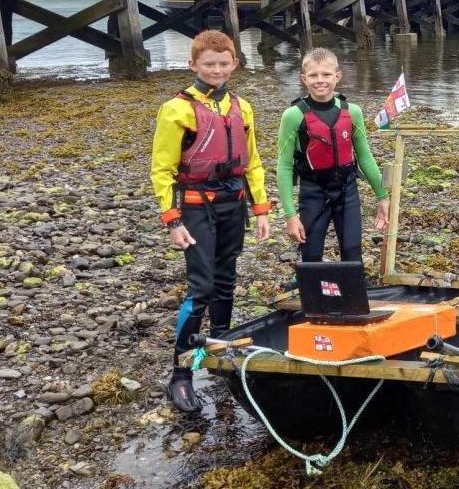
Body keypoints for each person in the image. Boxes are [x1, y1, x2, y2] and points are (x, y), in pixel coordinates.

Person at [149, 30, 272, 412]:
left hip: (232, 203)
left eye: (223, 63)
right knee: (200, 287)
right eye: (208, 64)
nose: (216, 70)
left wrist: (261, 207)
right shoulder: (177, 110)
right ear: (193, 65)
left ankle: (219, 347)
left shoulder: (242, 107)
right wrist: (173, 221)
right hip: (195, 206)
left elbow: (251, 162)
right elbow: (162, 170)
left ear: (234, 64)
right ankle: (181, 373)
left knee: (226, 279)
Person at [277, 48, 390, 264]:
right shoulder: (293, 115)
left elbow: (365, 156)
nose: (320, 80)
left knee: (352, 254)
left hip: (347, 191)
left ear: (337, 76)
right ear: (304, 79)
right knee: (310, 256)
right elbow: (284, 166)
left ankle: (351, 290)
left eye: (326, 74)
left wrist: (382, 196)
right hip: (312, 192)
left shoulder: (352, 111)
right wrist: (290, 215)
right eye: (313, 75)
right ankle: (308, 285)